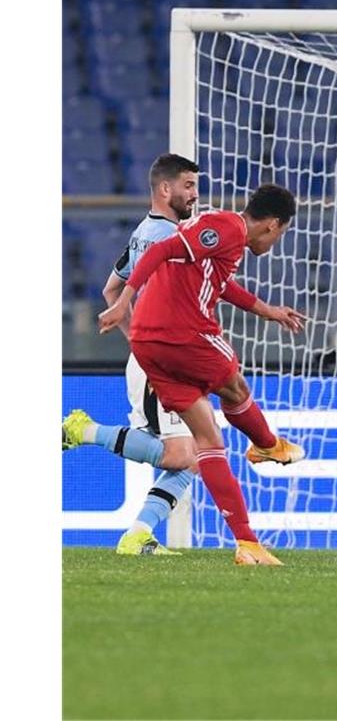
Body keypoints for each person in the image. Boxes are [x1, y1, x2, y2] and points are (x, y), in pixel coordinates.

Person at [98, 183, 307, 566]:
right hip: (181, 333)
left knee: (205, 444)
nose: (277, 242)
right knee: (235, 386)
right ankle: (266, 444)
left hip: (148, 342)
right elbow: (162, 251)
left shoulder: (221, 239)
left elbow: (221, 285)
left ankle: (248, 544)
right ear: (274, 225)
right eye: (282, 234)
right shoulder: (226, 228)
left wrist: (269, 310)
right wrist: (123, 302)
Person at [63, 154, 203, 555]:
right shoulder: (167, 240)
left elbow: (112, 291)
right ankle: (84, 431)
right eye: (188, 186)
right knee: (184, 452)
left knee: (187, 456)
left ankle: (139, 535)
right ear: (165, 189)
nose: (195, 194)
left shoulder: (144, 231)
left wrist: (137, 340)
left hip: (152, 356)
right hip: (162, 360)